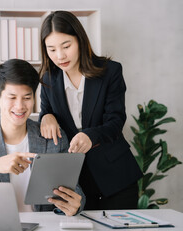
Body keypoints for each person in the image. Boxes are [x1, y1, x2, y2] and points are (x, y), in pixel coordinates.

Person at [0, 59, 85, 216]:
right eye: (12, 97)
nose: (20, 106)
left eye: (27, 98)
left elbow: (76, 192)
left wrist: (76, 205)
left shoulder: (54, 138)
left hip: (44, 230)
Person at [38, 11, 143, 210]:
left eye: (66, 46)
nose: (59, 56)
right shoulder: (48, 79)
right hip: (76, 183)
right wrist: (47, 117)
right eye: (51, 49)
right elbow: (46, 111)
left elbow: (115, 121)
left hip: (116, 176)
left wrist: (90, 136)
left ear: (80, 40)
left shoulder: (110, 71)